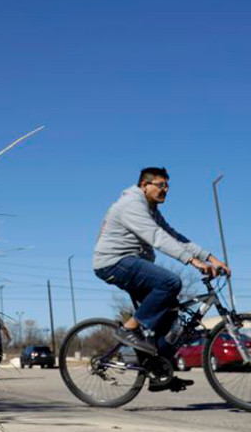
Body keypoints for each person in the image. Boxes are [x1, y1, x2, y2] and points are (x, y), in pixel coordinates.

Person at [93, 167, 231, 392]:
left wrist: (211, 257)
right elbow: (157, 238)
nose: (165, 190)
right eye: (160, 185)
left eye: (167, 186)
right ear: (144, 185)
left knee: (172, 318)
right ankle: (129, 329)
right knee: (170, 282)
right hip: (113, 262)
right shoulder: (131, 205)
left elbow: (173, 236)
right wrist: (193, 262)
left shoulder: (150, 209)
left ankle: (158, 371)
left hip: (133, 264)